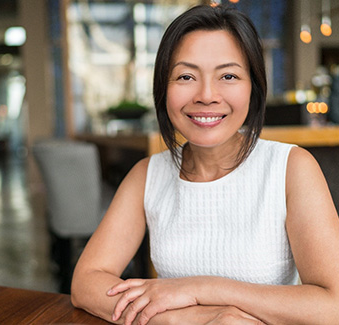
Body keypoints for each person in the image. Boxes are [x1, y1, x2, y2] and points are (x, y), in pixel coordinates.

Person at [71, 4, 339, 324]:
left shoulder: (291, 168)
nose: (207, 95)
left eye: (228, 75)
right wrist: (189, 319)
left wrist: (202, 289)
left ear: (252, 87)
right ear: (163, 88)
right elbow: (86, 282)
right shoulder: (148, 175)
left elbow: (332, 304)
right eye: (186, 76)